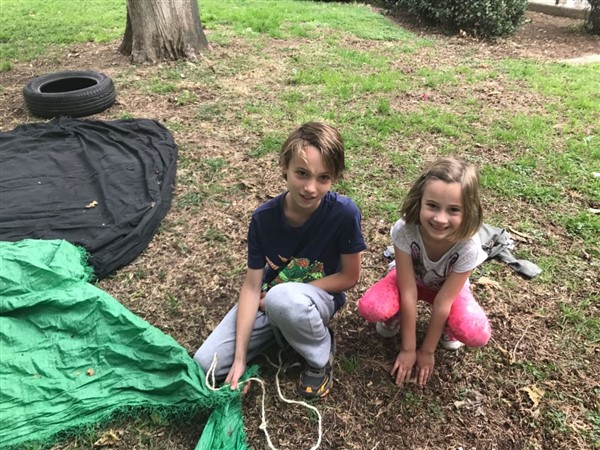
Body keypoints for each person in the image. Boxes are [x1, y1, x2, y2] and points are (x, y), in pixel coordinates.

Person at [194, 121, 366, 398]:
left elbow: (349, 277)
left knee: (282, 299)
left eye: (323, 177)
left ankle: (320, 352)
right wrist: (239, 358)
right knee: (206, 364)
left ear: (334, 177)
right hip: (267, 302)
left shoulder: (344, 214)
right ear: (284, 167)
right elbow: (251, 287)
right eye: (301, 173)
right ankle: (282, 331)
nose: (311, 187)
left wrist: (278, 295)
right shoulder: (264, 219)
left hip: (314, 301)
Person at [357, 157, 491, 386]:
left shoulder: (469, 246)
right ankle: (394, 314)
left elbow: (442, 302)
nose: (440, 218)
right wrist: (408, 348)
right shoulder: (405, 230)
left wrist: (427, 350)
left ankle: (450, 326)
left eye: (454, 210)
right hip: (410, 282)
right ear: (420, 201)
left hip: (448, 290)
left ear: (469, 211)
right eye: (432, 206)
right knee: (372, 308)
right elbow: (408, 290)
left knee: (475, 333)